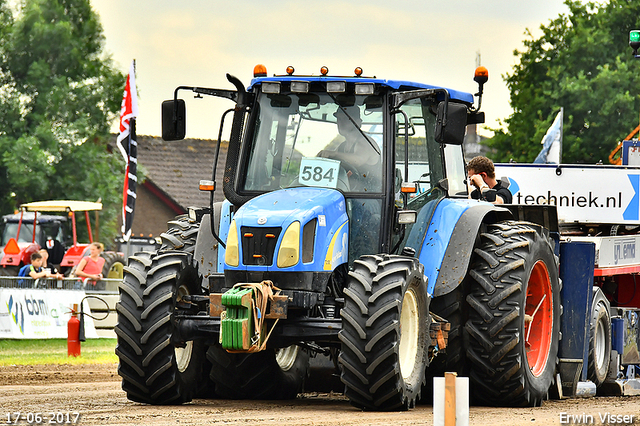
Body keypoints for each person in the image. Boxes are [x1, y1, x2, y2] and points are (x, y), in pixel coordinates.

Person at [317, 106, 382, 191]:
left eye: (346, 119)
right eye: (339, 119)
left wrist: (334, 154)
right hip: (351, 194)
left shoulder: (365, 142)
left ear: (358, 123)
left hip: (369, 197)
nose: (340, 123)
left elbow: (358, 160)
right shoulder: (342, 147)